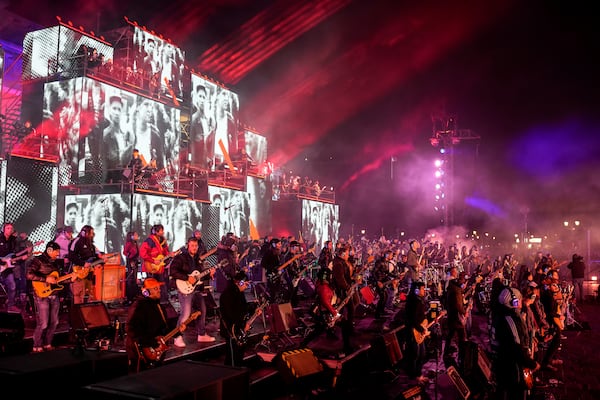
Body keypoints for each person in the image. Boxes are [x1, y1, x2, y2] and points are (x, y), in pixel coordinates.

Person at [491, 286, 540, 400]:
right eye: (518, 299)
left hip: (504, 365)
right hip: (512, 368)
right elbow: (515, 347)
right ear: (513, 301)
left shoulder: (501, 315)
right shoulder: (509, 320)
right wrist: (530, 363)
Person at [170, 236, 216, 347]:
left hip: (196, 289)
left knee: (202, 310)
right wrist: (186, 277)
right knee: (185, 314)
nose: (194, 248)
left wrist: (209, 274)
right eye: (192, 246)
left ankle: (201, 334)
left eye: (196, 246)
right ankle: (177, 337)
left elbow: (198, 277)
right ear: (188, 246)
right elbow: (173, 271)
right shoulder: (180, 258)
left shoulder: (197, 260)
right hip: (184, 288)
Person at [125, 278, 176, 373]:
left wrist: (177, 331)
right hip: (142, 353)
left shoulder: (159, 306)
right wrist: (149, 342)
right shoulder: (139, 306)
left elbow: (162, 328)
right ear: (146, 292)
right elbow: (130, 328)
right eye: (155, 288)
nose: (159, 290)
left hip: (156, 351)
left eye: (159, 288)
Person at [27, 241, 66, 352]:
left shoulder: (56, 263)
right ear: (49, 250)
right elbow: (29, 275)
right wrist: (45, 279)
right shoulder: (38, 260)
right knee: (43, 323)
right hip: (42, 295)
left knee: (55, 322)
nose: (58, 254)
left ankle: (47, 343)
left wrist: (72, 278)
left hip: (54, 295)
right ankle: (37, 345)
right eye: (56, 252)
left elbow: (58, 279)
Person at [219, 271, 252, 367]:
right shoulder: (228, 294)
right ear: (240, 282)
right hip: (231, 330)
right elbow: (231, 314)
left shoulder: (240, 293)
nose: (246, 286)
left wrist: (254, 309)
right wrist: (243, 325)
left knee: (239, 354)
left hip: (240, 329)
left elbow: (244, 308)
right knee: (232, 356)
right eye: (246, 284)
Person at [330, 245, 356, 356]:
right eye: (346, 253)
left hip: (345, 291)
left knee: (350, 308)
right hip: (341, 292)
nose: (348, 255)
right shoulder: (338, 264)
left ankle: (348, 327)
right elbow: (340, 279)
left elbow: (347, 276)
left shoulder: (343, 263)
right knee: (340, 311)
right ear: (341, 254)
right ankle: (332, 330)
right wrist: (347, 287)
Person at [403, 281, 430, 385]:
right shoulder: (414, 301)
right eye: (422, 289)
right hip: (414, 331)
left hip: (418, 330)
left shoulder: (417, 300)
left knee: (421, 354)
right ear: (417, 290)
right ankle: (414, 377)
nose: (424, 290)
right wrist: (421, 329)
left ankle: (418, 375)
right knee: (415, 355)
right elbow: (412, 319)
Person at [103, 95, 134, 183]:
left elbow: (129, 165)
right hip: (109, 183)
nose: (116, 112)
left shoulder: (126, 136)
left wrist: (124, 178)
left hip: (123, 184)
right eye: (114, 108)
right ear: (109, 110)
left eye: (119, 109)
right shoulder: (105, 135)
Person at [68, 225, 102, 304]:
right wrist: (83, 263)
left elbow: (93, 256)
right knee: (78, 295)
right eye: (91, 233)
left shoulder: (90, 243)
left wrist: (100, 259)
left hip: (88, 273)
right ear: (85, 233)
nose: (93, 234)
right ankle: (77, 314)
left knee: (87, 294)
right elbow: (71, 256)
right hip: (78, 272)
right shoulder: (76, 241)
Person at [139, 224, 171, 302]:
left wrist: (170, 255)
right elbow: (142, 253)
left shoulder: (162, 241)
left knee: (161, 285)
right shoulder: (149, 241)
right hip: (150, 267)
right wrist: (153, 261)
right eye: (161, 230)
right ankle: (150, 302)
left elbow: (165, 252)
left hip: (159, 268)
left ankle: (162, 302)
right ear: (156, 232)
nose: (163, 232)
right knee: (150, 286)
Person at [443, 267, 468, 367]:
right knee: (462, 335)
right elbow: (458, 304)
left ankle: (446, 352)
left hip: (451, 315)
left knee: (450, 334)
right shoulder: (456, 289)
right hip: (456, 317)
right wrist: (463, 311)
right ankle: (463, 354)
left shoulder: (452, 286)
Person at [0, 222, 25, 312]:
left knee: (12, 286)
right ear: (4, 229)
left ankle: (11, 305)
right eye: (8, 228)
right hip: (1, 264)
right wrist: (2, 261)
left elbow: (12, 255)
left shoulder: (12, 241)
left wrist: (21, 258)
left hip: (7, 268)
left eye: (11, 228)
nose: (10, 230)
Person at [261, 237, 283, 303]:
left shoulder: (278, 253)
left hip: (277, 275)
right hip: (271, 275)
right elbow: (263, 264)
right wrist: (272, 268)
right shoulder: (268, 253)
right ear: (274, 245)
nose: (280, 245)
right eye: (279, 244)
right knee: (272, 291)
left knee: (277, 290)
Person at [123, 231, 141, 305]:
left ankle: (134, 296)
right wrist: (130, 258)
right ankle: (129, 298)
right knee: (130, 279)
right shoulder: (129, 244)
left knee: (134, 279)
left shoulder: (135, 243)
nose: (137, 236)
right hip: (131, 262)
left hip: (135, 262)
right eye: (135, 235)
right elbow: (125, 252)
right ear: (131, 236)